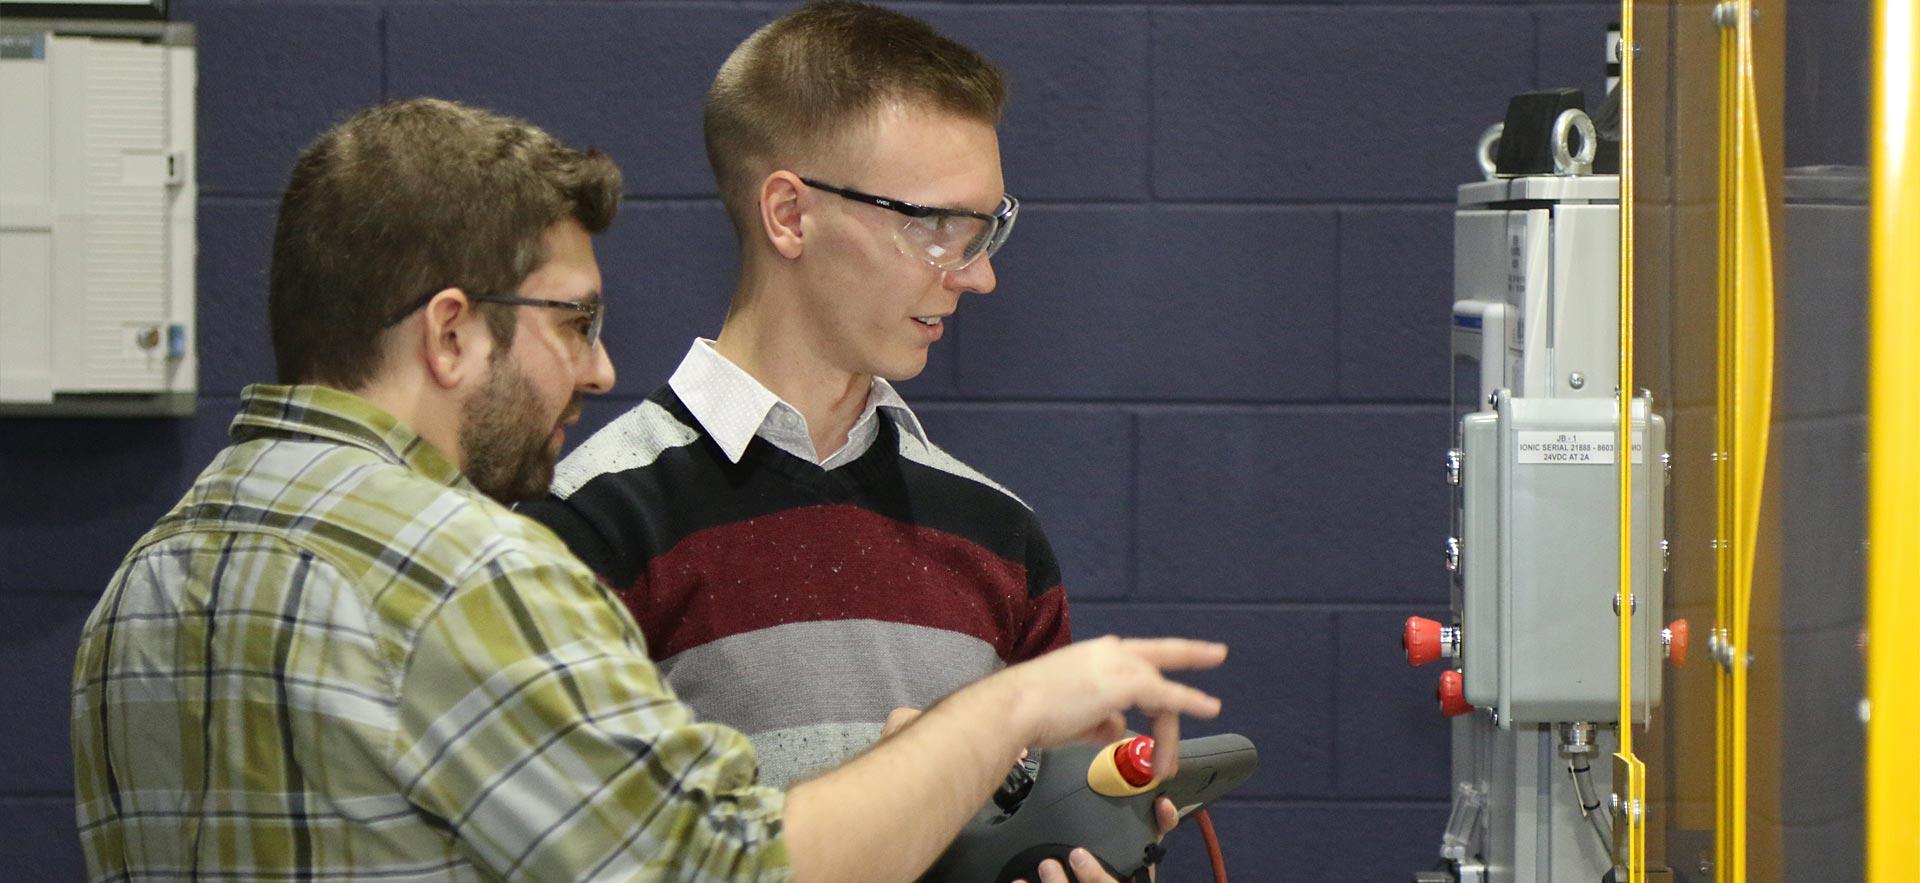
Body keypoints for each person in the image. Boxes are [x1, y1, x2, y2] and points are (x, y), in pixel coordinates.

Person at [69, 97, 1224, 883]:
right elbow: (730, 866)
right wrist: (1006, 713)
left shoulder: (145, 584)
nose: (603, 367)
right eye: (573, 322)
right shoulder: (476, 570)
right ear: (452, 333)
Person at [521, 0, 1079, 796]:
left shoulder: (1001, 537)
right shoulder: (583, 527)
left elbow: (1060, 816)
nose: (976, 272)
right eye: (938, 226)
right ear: (789, 215)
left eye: (986, 229)